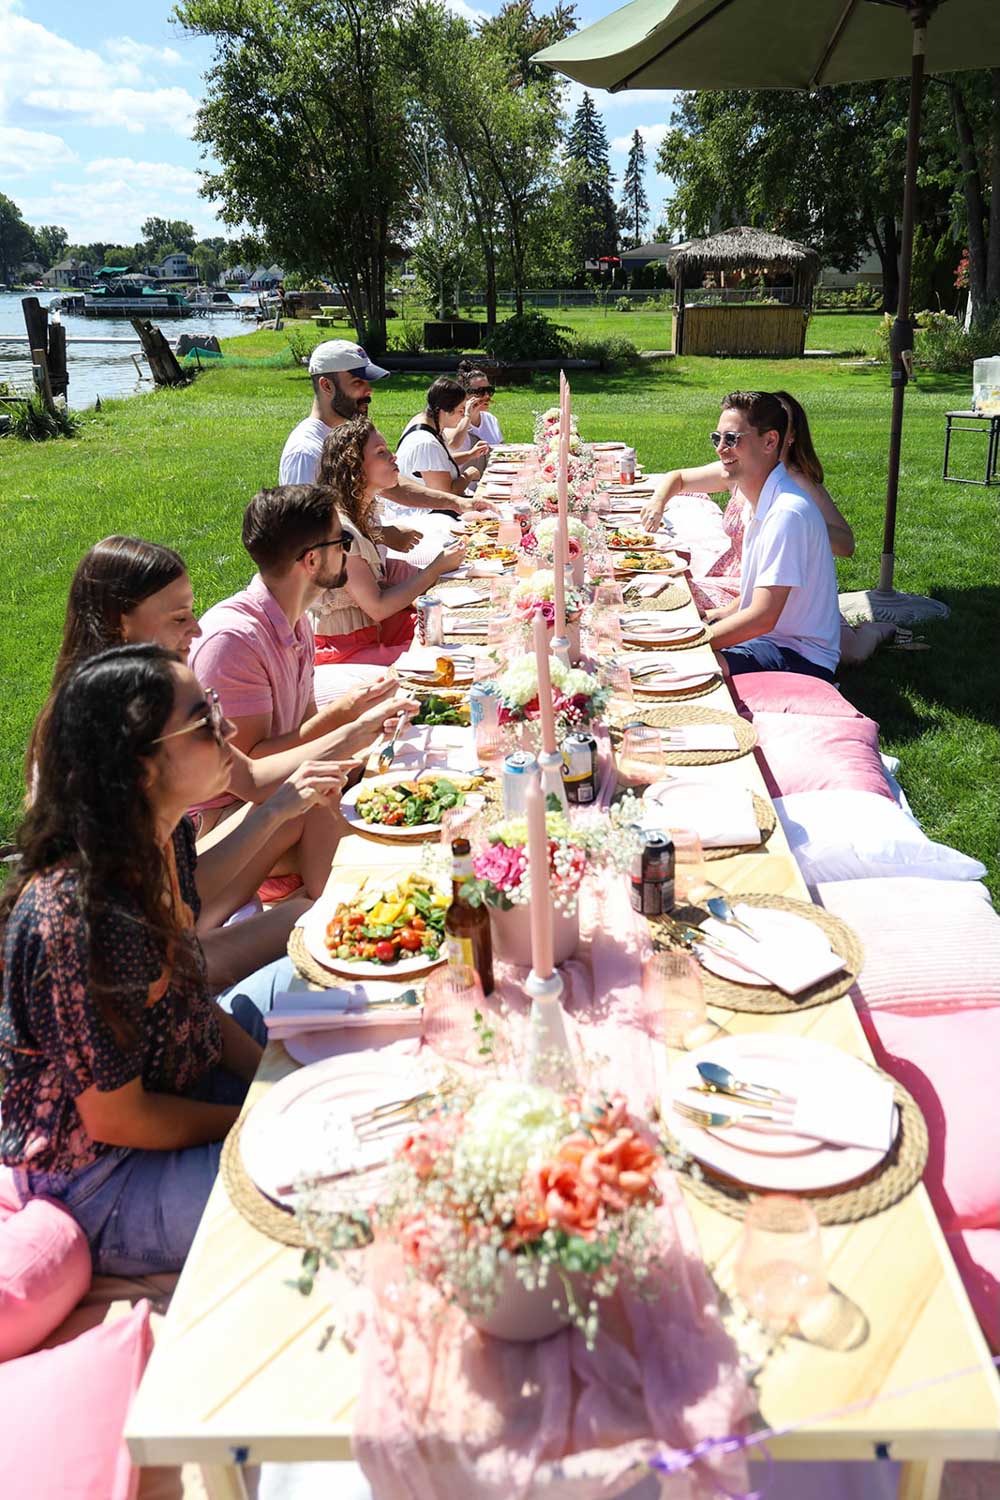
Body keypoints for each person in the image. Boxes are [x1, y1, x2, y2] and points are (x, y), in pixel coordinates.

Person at [0, 646, 281, 1274]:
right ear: (143, 767)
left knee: (353, 1030)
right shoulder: (84, 916)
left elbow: (190, 1000)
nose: (227, 727)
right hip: (104, 1174)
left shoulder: (166, 835)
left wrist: (274, 1078)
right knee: (313, 1177)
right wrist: (256, 1113)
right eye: (205, 720)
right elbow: (121, 1118)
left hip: (183, 1074)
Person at [25, 537, 386, 985]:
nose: (196, 630)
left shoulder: (161, 692)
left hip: (179, 904)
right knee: (315, 918)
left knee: (316, 895)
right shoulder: (97, 730)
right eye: (179, 618)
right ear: (121, 622)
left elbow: (250, 780)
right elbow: (156, 927)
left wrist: (351, 733)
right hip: (155, 949)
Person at [188, 488, 417, 892]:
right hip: (223, 823)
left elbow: (305, 730)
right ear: (312, 560)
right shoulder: (234, 642)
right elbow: (250, 772)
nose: (349, 551)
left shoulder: (293, 620)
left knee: (390, 784)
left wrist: (349, 711)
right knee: (358, 825)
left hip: (278, 795)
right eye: (342, 541)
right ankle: (328, 915)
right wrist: (352, 732)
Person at [696, 391, 840, 681]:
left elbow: (763, 617)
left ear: (770, 441)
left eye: (732, 439)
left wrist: (685, 647)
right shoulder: (764, 501)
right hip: (771, 641)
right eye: (717, 438)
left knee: (689, 670)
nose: (720, 449)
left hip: (799, 656)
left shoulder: (787, 512)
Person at [279, 339, 482, 526]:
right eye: (358, 382)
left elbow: (393, 486)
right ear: (326, 385)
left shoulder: (349, 436)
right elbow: (309, 533)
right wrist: (384, 536)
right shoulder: (306, 452)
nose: (369, 391)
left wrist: (456, 502)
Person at [311, 420, 467, 662]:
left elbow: (373, 590)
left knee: (450, 626)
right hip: (345, 648)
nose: (393, 457)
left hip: (372, 629)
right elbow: (377, 606)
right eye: (381, 453)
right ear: (355, 467)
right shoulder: (340, 531)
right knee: (443, 654)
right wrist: (435, 569)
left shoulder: (361, 513)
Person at [396, 377, 489, 498]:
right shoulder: (426, 443)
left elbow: (437, 463)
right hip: (425, 513)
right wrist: (469, 474)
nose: (463, 417)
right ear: (444, 411)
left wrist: (470, 454)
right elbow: (446, 495)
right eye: (461, 411)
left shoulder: (421, 422)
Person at [442, 361, 504, 462]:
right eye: (481, 392)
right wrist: (467, 416)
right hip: (463, 476)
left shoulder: (490, 419)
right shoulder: (453, 420)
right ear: (464, 394)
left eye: (489, 390)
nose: (487, 396)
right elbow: (452, 444)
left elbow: (503, 450)